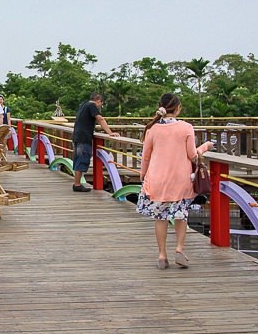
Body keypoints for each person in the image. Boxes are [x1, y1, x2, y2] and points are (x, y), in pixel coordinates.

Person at [137, 93, 213, 270]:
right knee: (181, 214)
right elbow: (193, 155)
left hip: (157, 179)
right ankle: (179, 249)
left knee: (160, 217)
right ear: (178, 108)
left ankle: (162, 255)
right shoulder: (186, 127)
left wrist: (143, 175)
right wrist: (206, 147)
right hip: (180, 180)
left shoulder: (152, 128)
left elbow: (146, 157)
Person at [71, 93, 119, 192]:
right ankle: (77, 184)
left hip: (77, 136)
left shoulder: (84, 104)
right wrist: (110, 133)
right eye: (101, 104)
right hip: (83, 138)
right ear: (98, 101)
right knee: (82, 159)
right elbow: (100, 119)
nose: (100, 106)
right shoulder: (92, 105)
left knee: (78, 159)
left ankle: (77, 183)